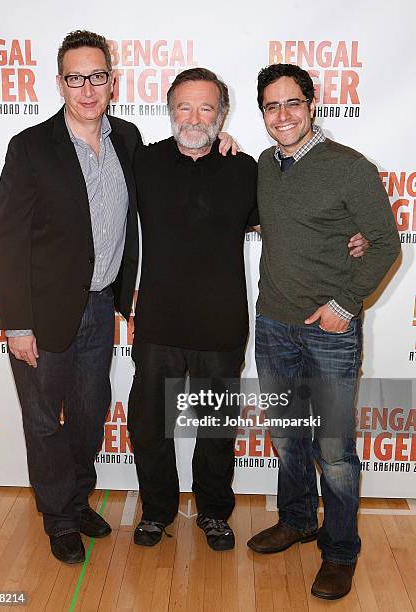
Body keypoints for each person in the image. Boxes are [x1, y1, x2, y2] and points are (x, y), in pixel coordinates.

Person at [247, 63, 401, 600]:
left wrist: (345, 304)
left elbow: (384, 243)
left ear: (312, 105)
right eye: (271, 106)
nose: (282, 115)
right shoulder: (264, 165)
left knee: (333, 450)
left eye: (292, 103)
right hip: (272, 325)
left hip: (330, 331)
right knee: (288, 437)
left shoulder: (350, 167)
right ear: (262, 113)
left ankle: (339, 552)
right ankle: (296, 520)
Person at [0, 30, 141, 564]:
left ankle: (77, 500)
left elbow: (167, 187)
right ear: (59, 83)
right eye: (75, 78)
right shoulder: (30, 146)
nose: (87, 88)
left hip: (101, 306)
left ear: (111, 80)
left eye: (96, 76)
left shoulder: (128, 137)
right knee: (42, 419)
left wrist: (222, 146)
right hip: (41, 314)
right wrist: (16, 323)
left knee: (87, 413)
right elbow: (8, 238)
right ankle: (57, 517)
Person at [127, 68, 259, 551]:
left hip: (222, 325)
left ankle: (213, 512)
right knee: (147, 424)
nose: (195, 117)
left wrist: (349, 237)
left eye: (206, 108)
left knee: (217, 429)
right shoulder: (142, 162)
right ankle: (157, 511)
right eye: (184, 106)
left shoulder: (245, 168)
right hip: (159, 322)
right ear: (170, 111)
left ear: (221, 114)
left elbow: (290, 221)